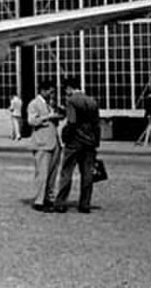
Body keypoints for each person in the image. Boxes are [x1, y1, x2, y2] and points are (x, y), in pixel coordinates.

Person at [52, 79, 101, 213]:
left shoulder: (71, 101)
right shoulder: (92, 101)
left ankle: (61, 202)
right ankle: (85, 204)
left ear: (69, 88)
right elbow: (97, 124)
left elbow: (72, 122)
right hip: (90, 142)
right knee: (87, 174)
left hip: (74, 142)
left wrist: (65, 135)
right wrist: (96, 141)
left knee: (67, 172)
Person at [27, 79, 63, 211]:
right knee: (42, 173)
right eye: (50, 92)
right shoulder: (34, 104)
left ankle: (49, 198)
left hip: (54, 142)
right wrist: (47, 117)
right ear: (43, 90)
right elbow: (31, 121)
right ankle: (39, 200)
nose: (52, 94)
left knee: (53, 173)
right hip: (42, 143)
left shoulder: (51, 104)